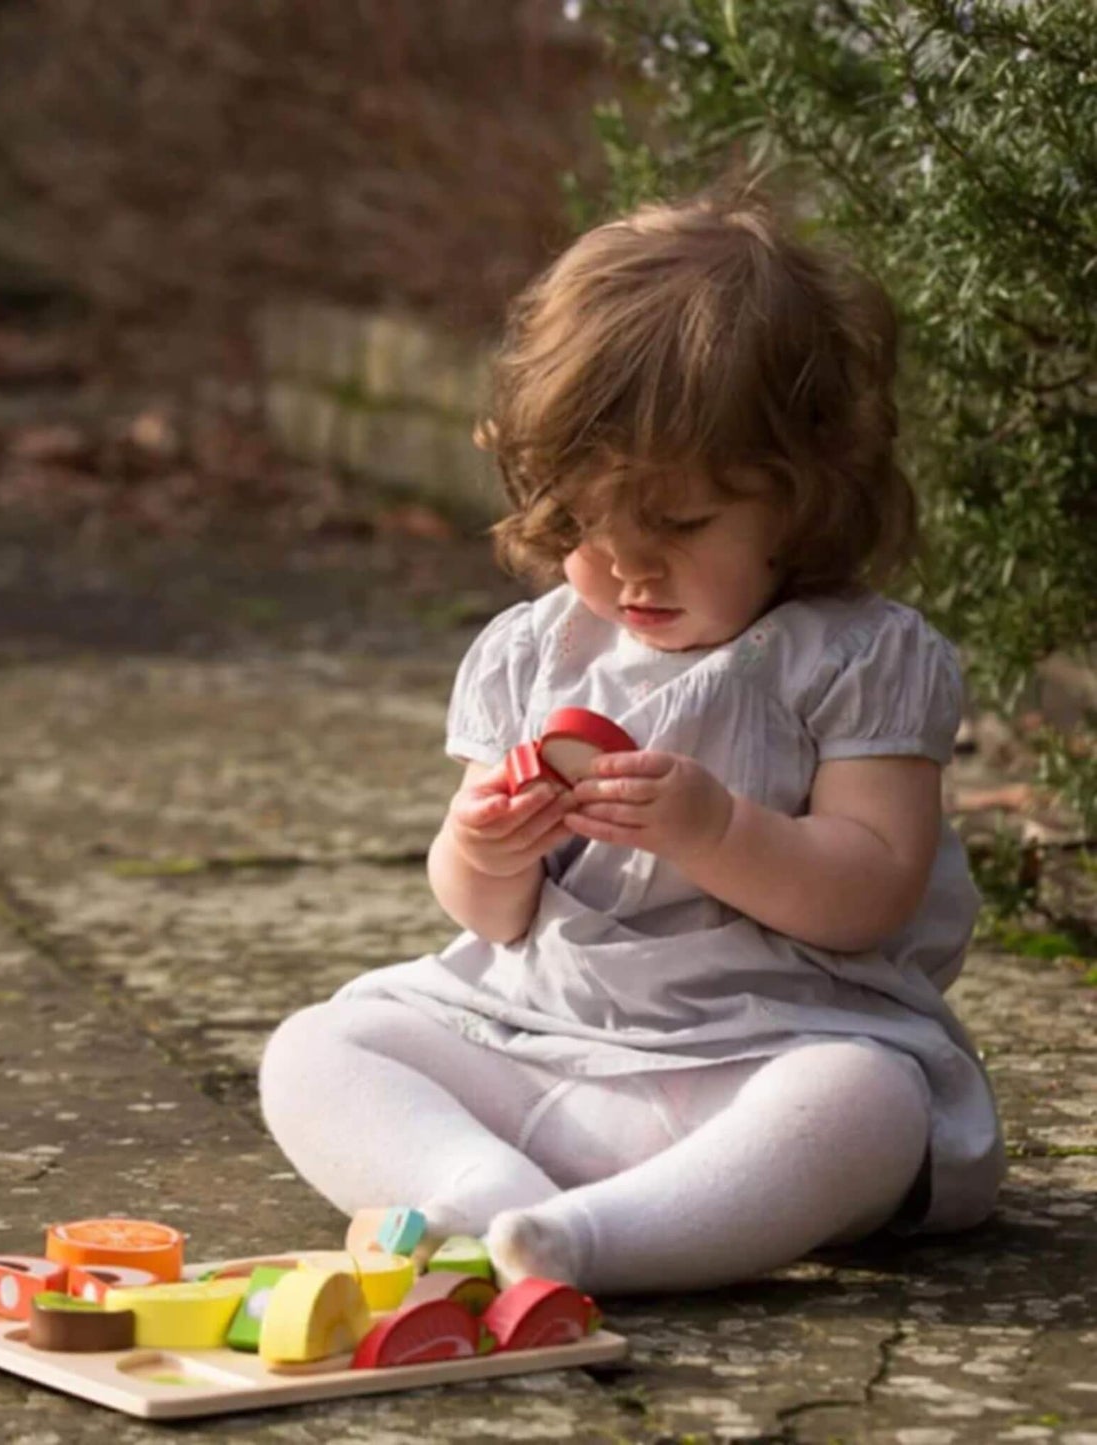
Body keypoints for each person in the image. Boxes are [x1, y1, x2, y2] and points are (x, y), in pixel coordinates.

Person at [258, 185, 1004, 1297]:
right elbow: (481, 911)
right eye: (583, 530)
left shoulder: (857, 656)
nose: (626, 571)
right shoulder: (532, 651)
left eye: (681, 526)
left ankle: (588, 1245)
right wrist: (484, 845)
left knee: (864, 1102)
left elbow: (871, 890)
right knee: (315, 1048)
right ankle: (482, 1193)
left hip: (762, 1054)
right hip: (537, 1037)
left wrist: (716, 828)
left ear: (802, 495)